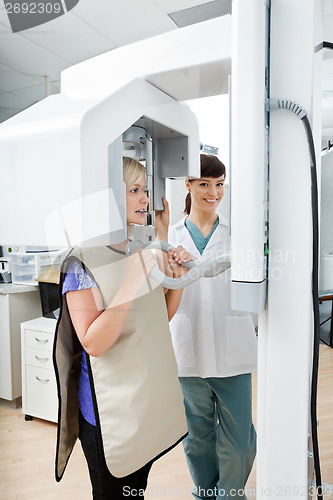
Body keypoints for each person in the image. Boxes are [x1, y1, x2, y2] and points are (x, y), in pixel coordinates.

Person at [53, 156, 193, 500]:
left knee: (135, 493)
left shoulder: (140, 248)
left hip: (139, 408)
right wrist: (130, 281)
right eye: (135, 190)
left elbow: (158, 318)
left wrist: (178, 279)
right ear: (110, 198)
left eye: (145, 190)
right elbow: (94, 343)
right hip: (107, 418)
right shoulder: (82, 261)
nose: (146, 199)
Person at [168, 154, 257, 500]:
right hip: (186, 353)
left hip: (232, 350)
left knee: (241, 442)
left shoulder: (239, 237)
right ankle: (205, 495)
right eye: (204, 184)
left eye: (219, 184)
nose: (213, 192)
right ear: (188, 185)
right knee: (197, 439)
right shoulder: (170, 237)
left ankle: (228, 496)